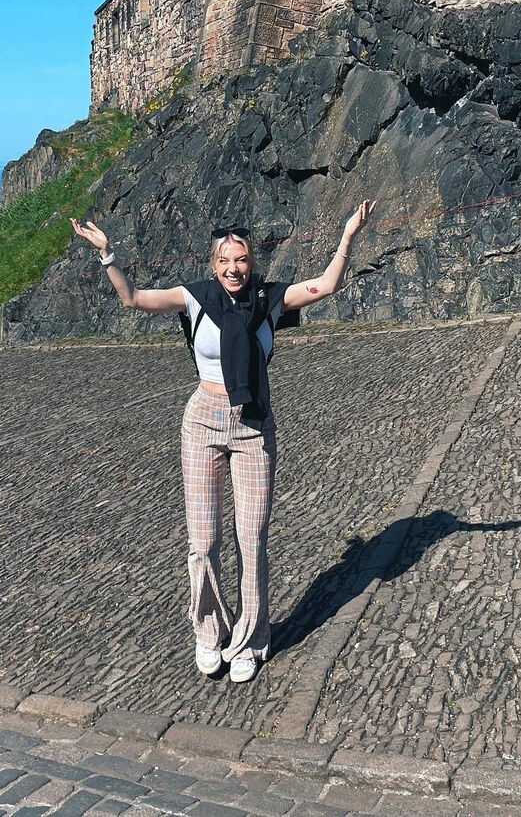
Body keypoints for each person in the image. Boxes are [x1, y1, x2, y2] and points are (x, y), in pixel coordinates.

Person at [71, 200, 374, 684]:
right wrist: (108, 255)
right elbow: (133, 299)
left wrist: (347, 235)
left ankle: (250, 640)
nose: (234, 268)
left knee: (251, 541)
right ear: (213, 265)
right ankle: (209, 632)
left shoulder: (271, 299)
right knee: (204, 542)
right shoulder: (193, 298)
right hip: (203, 423)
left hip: (253, 425)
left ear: (252, 263)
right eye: (225, 261)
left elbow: (327, 284)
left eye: (242, 260)